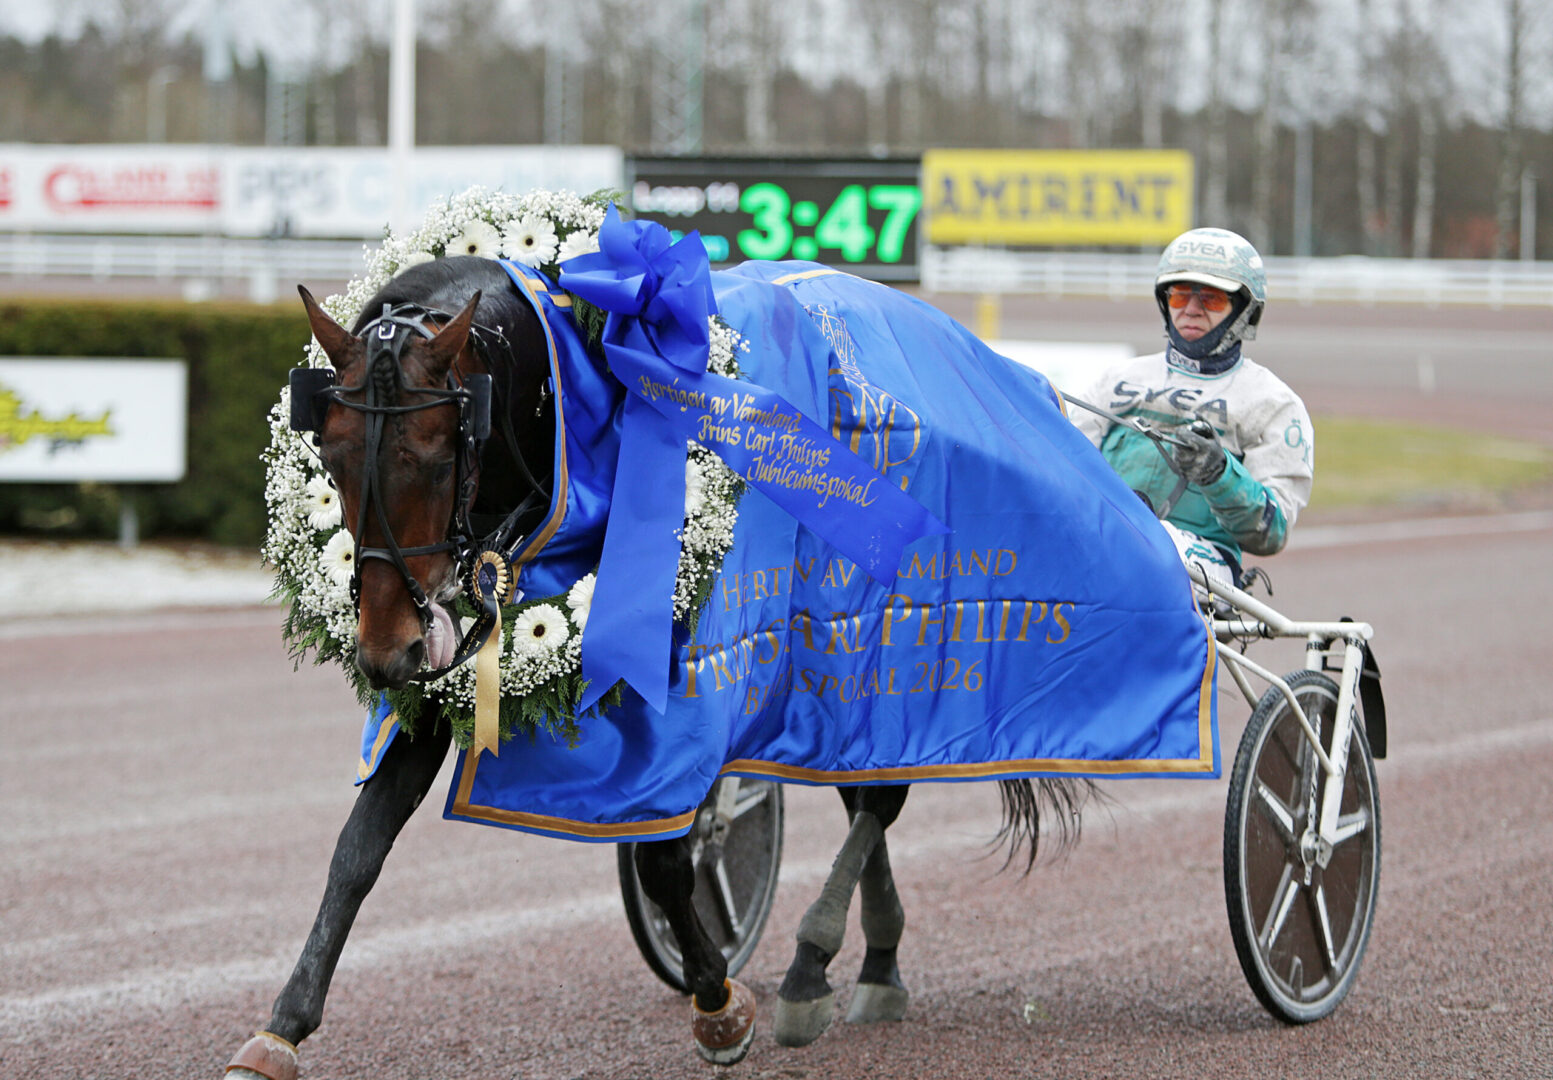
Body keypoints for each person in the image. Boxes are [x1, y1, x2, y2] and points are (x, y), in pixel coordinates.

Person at [1068, 227, 1313, 586]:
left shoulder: (1273, 404)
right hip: (1105, 545)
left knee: (1149, 548)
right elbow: (1064, 471)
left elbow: (1270, 533)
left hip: (1202, 568)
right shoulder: (1116, 381)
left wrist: (1218, 473)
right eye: (1180, 295)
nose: (1191, 310)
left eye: (1211, 299)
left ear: (1244, 312)